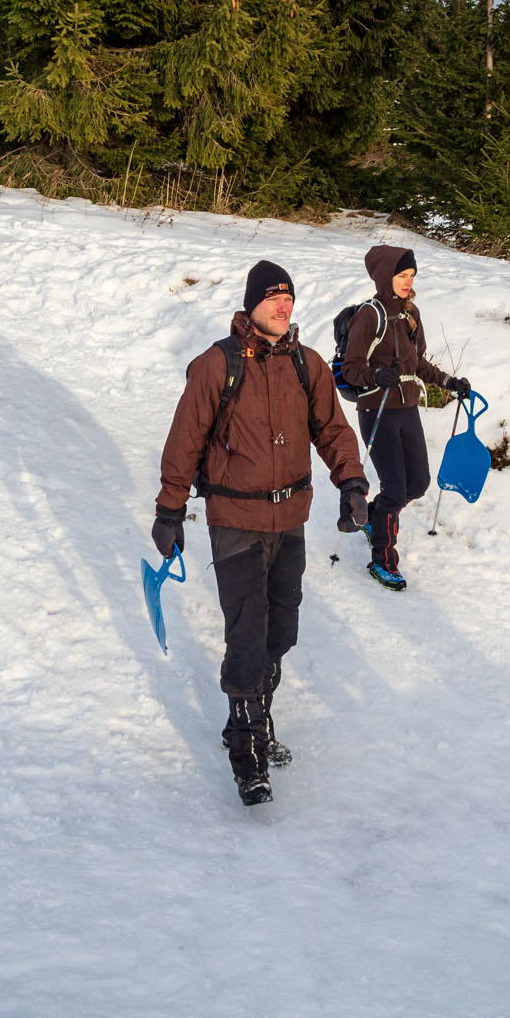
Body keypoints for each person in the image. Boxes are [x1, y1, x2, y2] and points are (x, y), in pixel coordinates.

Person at [154, 260, 369, 806]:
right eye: (273, 297)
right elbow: (184, 441)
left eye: (289, 297)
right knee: (248, 638)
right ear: (251, 304)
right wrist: (170, 510)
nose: (283, 305)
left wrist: (351, 483)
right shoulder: (217, 365)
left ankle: (258, 717)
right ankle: (245, 749)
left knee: (280, 634)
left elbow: (334, 430)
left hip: (289, 519)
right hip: (237, 522)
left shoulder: (307, 365)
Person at [339, 245, 470, 591]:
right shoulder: (369, 315)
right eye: (402, 275)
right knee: (396, 488)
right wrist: (375, 376)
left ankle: (374, 516)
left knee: (418, 483)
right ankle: (383, 560)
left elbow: (419, 363)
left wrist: (449, 382)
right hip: (377, 411)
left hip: (407, 408)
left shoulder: (412, 314)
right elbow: (352, 368)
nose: (408, 282)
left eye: (411, 276)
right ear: (386, 277)